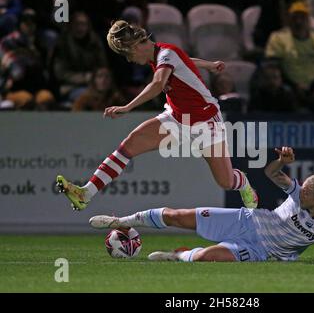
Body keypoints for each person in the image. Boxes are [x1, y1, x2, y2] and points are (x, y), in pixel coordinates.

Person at [56, 20, 258, 211]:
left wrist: (128, 106)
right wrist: (208, 65)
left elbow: (158, 84)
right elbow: (186, 60)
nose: (130, 60)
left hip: (205, 122)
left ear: (134, 48)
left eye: (128, 56)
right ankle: (86, 194)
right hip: (176, 119)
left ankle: (244, 183)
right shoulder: (160, 53)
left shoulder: (165, 54)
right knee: (129, 145)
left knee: (226, 181)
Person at [89, 146, 314, 264]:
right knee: (176, 215)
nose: (301, 189)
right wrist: (280, 162)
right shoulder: (297, 193)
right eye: (303, 185)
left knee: (205, 258)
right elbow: (271, 174)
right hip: (247, 221)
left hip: (260, 252)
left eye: (308, 190)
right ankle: (120, 221)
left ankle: (177, 255)